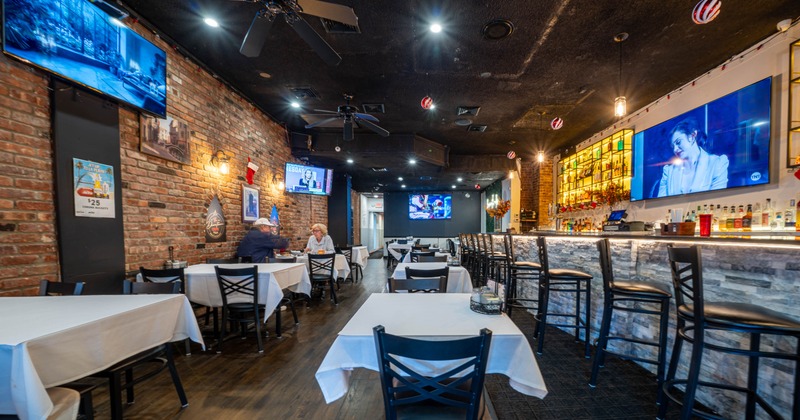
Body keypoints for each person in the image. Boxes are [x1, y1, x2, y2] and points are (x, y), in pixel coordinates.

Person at [657, 118, 728, 198]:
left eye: (678, 142)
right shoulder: (668, 171)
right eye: (673, 146)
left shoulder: (717, 163)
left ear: (692, 135)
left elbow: (717, 200)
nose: (675, 149)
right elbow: (661, 202)